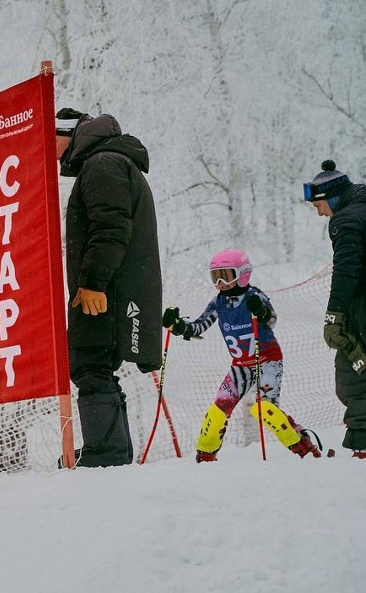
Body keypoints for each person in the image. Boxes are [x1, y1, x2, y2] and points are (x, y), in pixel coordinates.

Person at [55, 108, 162, 467]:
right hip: (116, 286)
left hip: (108, 289)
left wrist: (93, 283)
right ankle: (110, 447)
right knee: (97, 364)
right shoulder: (107, 161)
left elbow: (111, 229)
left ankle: (106, 453)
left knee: (91, 362)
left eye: (50, 137)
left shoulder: (102, 164)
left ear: (69, 135)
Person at [162, 249, 321, 461]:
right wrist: (179, 326)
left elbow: (271, 320)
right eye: (215, 276)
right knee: (219, 408)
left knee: (265, 410)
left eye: (227, 275)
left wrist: (261, 311)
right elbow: (199, 327)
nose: (220, 282)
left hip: (267, 359)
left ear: (243, 273)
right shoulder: (218, 302)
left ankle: (303, 447)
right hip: (240, 365)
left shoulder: (254, 296)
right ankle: (206, 455)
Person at [304, 159, 366, 458]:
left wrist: (334, 318)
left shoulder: (346, 220)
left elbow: (347, 272)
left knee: (354, 372)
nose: (319, 212)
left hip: (360, 309)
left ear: (332, 197)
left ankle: (363, 448)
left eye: (319, 205)